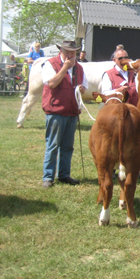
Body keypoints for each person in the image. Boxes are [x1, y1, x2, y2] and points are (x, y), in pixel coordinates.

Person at [41, 40, 87, 188]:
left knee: (67, 146)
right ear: (60, 51)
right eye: (67, 51)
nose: (70, 54)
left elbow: (84, 87)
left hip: (72, 112)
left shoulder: (79, 68)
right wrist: (64, 68)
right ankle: (48, 177)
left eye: (73, 52)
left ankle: (64, 174)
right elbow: (52, 83)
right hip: (55, 111)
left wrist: (81, 89)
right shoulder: (50, 64)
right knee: (53, 145)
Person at [101, 47, 140, 179]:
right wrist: (118, 90)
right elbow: (104, 93)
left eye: (126, 57)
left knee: (132, 143)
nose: (124, 60)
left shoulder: (133, 74)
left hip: (132, 113)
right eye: (120, 58)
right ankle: (112, 169)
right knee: (114, 142)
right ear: (114, 60)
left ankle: (132, 169)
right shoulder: (108, 74)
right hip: (115, 114)